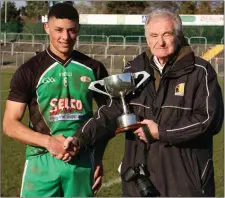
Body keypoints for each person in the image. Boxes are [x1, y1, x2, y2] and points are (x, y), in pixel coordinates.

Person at [64, 6, 224, 197]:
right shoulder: (134, 69)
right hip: (139, 182)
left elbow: (209, 120)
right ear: (147, 39)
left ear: (179, 36)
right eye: (154, 35)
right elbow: (112, 111)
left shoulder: (200, 72)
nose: (160, 42)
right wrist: (80, 138)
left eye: (167, 34)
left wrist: (161, 132)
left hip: (185, 183)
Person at [3, 3, 109, 197]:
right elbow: (9, 124)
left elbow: (107, 117)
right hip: (41, 160)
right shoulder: (29, 70)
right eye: (58, 30)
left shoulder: (94, 68)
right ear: (47, 28)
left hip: (82, 160)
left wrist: (98, 158)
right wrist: (49, 141)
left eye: (71, 30)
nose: (65, 37)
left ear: (78, 29)